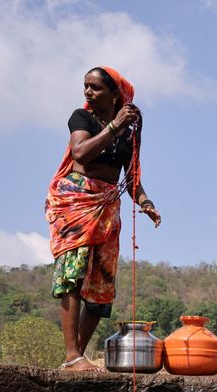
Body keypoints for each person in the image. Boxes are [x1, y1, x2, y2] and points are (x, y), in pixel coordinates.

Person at [47, 66, 160, 371]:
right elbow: (81, 153)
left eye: (96, 88)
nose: (88, 92)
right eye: (86, 86)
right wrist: (113, 127)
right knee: (72, 273)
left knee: (101, 284)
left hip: (109, 206)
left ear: (115, 94)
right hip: (77, 200)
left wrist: (146, 203)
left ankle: (75, 358)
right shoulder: (81, 118)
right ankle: (72, 355)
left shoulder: (132, 130)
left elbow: (132, 178)